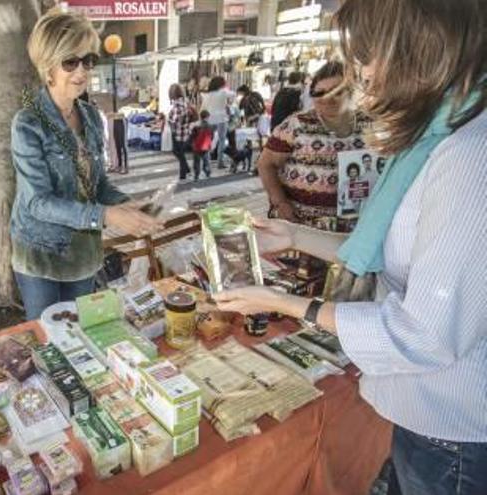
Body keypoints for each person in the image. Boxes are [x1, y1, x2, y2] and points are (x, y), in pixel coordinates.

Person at [214, 1, 486, 494]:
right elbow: (383, 248)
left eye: (365, 56)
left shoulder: (469, 155)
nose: (359, 75)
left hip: (456, 433)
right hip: (429, 420)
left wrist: (284, 304)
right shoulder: (433, 138)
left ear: (416, 50)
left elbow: (425, 334)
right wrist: (293, 234)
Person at [10, 9, 162, 320]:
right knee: (50, 337)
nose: (82, 71)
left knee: (82, 330)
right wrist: (107, 215)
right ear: (48, 66)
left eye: (88, 60)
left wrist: (128, 205)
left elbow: (98, 184)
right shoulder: (28, 123)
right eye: (70, 62)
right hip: (42, 253)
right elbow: (38, 202)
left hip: (83, 253)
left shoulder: (92, 116)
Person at [257, 61, 370, 232]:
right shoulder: (297, 125)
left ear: (352, 90)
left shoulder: (370, 125)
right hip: (301, 227)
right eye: (319, 93)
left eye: (336, 91)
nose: (326, 98)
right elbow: (265, 164)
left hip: (354, 229)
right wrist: (280, 202)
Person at [200, 76, 235, 169]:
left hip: (210, 118)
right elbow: (233, 94)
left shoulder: (207, 94)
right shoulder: (223, 92)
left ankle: (206, 162)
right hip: (222, 119)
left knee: (208, 140)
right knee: (222, 140)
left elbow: (203, 108)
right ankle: (220, 162)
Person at [167, 83, 194, 182]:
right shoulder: (185, 102)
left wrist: (169, 121)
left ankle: (183, 173)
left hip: (178, 132)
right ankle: (186, 169)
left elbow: (175, 120)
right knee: (179, 152)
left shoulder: (177, 105)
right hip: (185, 131)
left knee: (178, 152)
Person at [191, 110, 214, 180]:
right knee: (206, 160)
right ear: (207, 117)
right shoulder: (210, 126)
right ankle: (207, 172)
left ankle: (196, 175)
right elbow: (211, 137)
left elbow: (192, 135)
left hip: (197, 146)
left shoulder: (196, 125)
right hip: (206, 146)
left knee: (196, 161)